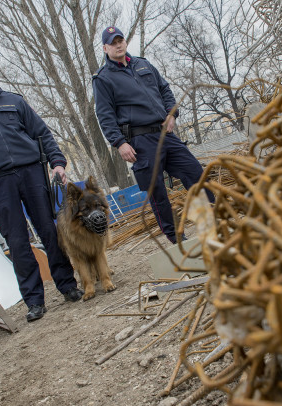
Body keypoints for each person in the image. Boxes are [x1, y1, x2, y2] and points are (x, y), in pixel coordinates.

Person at [0, 56, 83, 322]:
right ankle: (34, 301)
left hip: (31, 172)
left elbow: (42, 134)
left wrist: (57, 163)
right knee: (18, 241)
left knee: (49, 230)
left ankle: (67, 286)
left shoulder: (14, 101)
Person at [92, 26, 214, 244]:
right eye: (113, 42)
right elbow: (105, 115)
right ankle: (179, 241)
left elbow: (165, 90)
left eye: (120, 40)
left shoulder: (143, 64)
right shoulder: (103, 78)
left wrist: (172, 113)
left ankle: (213, 222)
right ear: (105, 48)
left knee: (195, 174)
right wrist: (119, 143)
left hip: (165, 134)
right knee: (158, 194)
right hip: (140, 141)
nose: (118, 44)